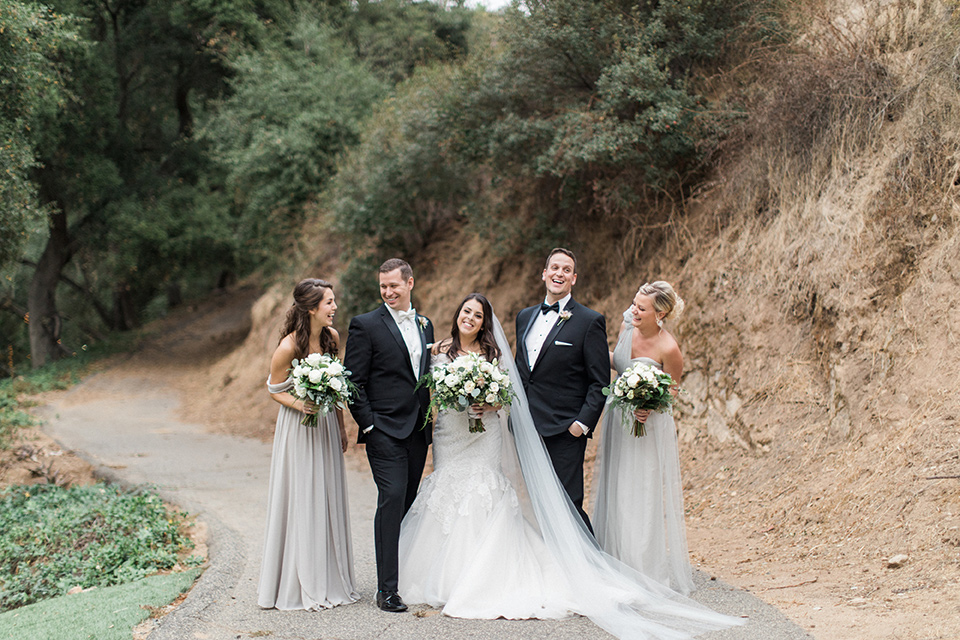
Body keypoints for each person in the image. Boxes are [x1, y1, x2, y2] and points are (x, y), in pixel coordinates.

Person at [400, 292, 742, 638]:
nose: (470, 318)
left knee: (496, 493)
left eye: (477, 314)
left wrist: (491, 406)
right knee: (448, 493)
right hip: (450, 434)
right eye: (466, 311)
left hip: (497, 432)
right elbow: (428, 390)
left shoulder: (495, 353)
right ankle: (446, 571)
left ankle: (546, 570)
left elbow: (510, 392)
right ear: (457, 313)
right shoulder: (438, 349)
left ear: (485, 322)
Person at [257, 278, 358, 610]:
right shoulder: (289, 346)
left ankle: (329, 576)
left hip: (326, 424)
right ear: (312, 308)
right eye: (329, 302)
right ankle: (297, 579)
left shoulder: (332, 338)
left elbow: (338, 386)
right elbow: (274, 389)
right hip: (298, 426)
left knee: (326, 493)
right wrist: (300, 404)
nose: (334, 308)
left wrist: (341, 428)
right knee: (303, 494)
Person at [592, 281, 695, 594]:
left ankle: (641, 568)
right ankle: (613, 560)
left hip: (647, 427)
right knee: (616, 483)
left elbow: (673, 388)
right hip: (618, 420)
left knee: (642, 489)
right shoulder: (627, 329)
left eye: (640, 307)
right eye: (634, 303)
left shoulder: (669, 348)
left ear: (660, 313)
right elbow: (619, 361)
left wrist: (649, 405)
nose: (633, 311)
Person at [344, 258, 433, 613]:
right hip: (383, 430)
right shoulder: (365, 325)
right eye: (383, 286)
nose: (388, 292)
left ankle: (405, 576)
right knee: (392, 498)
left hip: (417, 430)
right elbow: (354, 381)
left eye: (394, 285)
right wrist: (369, 425)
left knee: (409, 502)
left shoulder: (425, 325)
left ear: (410, 283)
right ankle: (387, 590)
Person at [514, 248, 609, 532]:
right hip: (527, 428)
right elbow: (522, 371)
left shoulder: (589, 321)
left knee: (567, 506)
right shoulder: (524, 316)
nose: (559, 274)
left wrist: (580, 425)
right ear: (544, 274)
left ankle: (591, 571)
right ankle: (554, 571)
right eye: (554, 268)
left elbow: (600, 381)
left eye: (566, 270)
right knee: (539, 505)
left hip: (564, 430)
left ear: (574, 278)